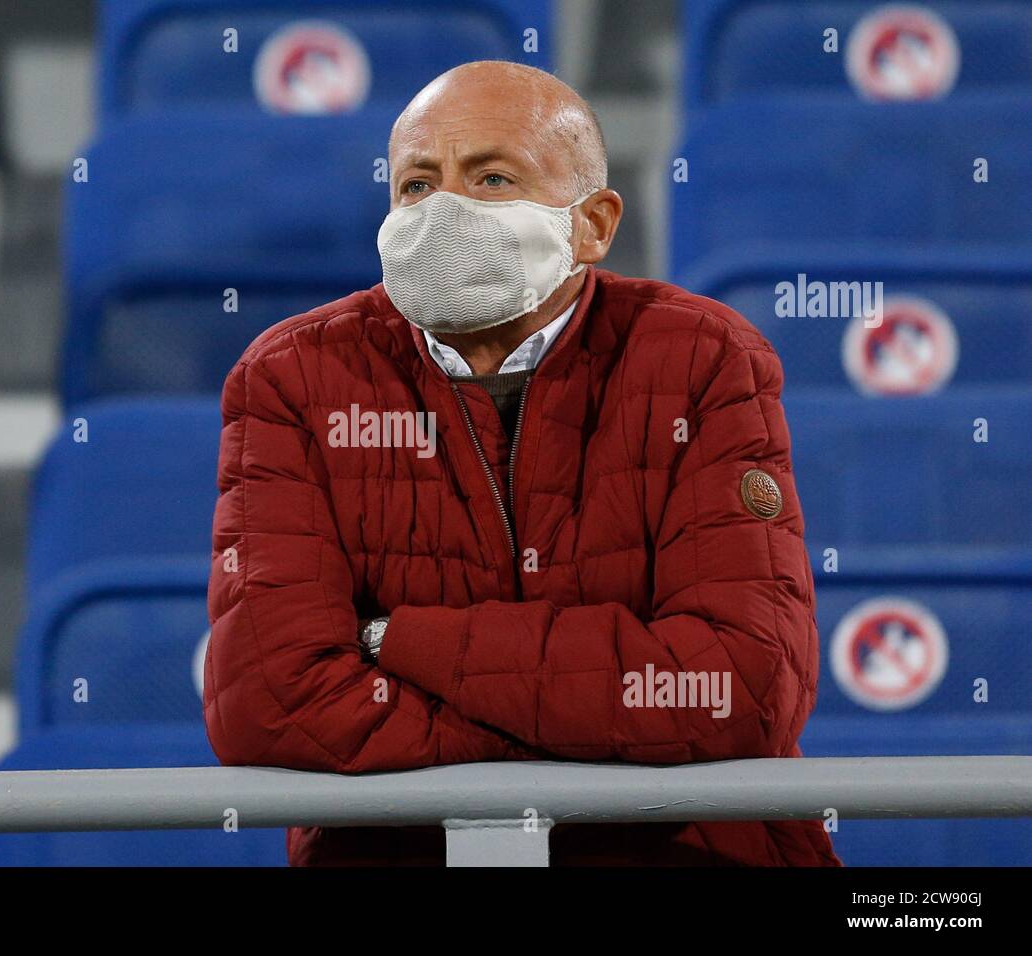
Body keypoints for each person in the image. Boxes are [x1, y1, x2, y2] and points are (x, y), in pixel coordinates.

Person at [204, 60, 839, 867]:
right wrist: (589, 724)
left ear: (594, 224)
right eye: (418, 186)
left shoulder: (703, 357)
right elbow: (267, 704)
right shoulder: (292, 376)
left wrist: (391, 639)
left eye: (492, 177)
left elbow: (737, 690)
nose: (443, 213)